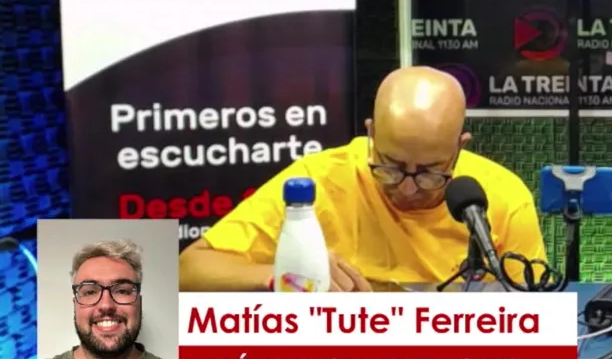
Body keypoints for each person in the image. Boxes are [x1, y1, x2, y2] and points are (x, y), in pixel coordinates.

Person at [179, 67, 548, 291]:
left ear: (459, 147)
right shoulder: (319, 181)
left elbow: (531, 312)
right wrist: (285, 275)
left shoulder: (501, 197)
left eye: (430, 172)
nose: (407, 187)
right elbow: (189, 270)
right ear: (371, 134)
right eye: (390, 166)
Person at [38, 240, 179, 359]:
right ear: (75, 305)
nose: (106, 305)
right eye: (90, 292)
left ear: (139, 302)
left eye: (122, 291)